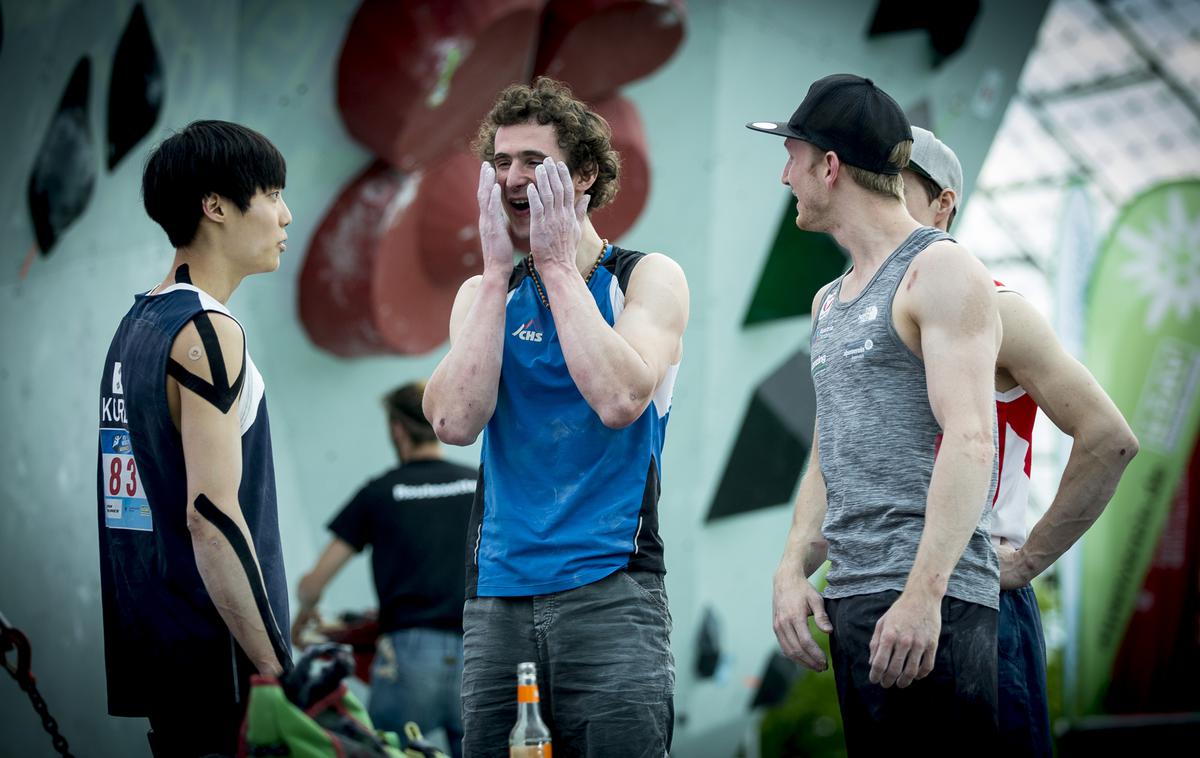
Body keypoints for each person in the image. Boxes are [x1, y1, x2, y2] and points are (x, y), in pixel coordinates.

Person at [422, 76, 690, 756]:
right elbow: (453, 420)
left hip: (611, 592)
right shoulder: (483, 295)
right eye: (501, 163)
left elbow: (620, 399)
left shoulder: (645, 276)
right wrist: (492, 274)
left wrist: (555, 264)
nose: (513, 176)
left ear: (586, 174)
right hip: (498, 595)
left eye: (534, 162)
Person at [750, 74, 1003, 753]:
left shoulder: (941, 269)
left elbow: (974, 440)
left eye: (793, 158)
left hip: (932, 603)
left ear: (829, 167)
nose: (785, 177)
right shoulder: (828, 300)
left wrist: (924, 596)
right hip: (856, 597)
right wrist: (791, 568)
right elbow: (832, 448)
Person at [901, 126, 1139, 756]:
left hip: (978, 595)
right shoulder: (851, 316)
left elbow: (1110, 439)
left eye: (895, 187)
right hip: (885, 595)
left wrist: (1029, 560)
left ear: (943, 204)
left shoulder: (999, 309)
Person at [96, 120, 293, 757]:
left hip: (159, 656)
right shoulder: (209, 332)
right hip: (222, 665)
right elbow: (209, 516)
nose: (286, 216)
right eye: (270, 194)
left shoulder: (136, 325)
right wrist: (278, 670)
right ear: (215, 206)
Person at [291, 381, 476, 758]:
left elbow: (314, 583)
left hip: (408, 659)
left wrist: (306, 608)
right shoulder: (478, 483)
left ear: (397, 429)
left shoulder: (379, 491)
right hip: (479, 650)